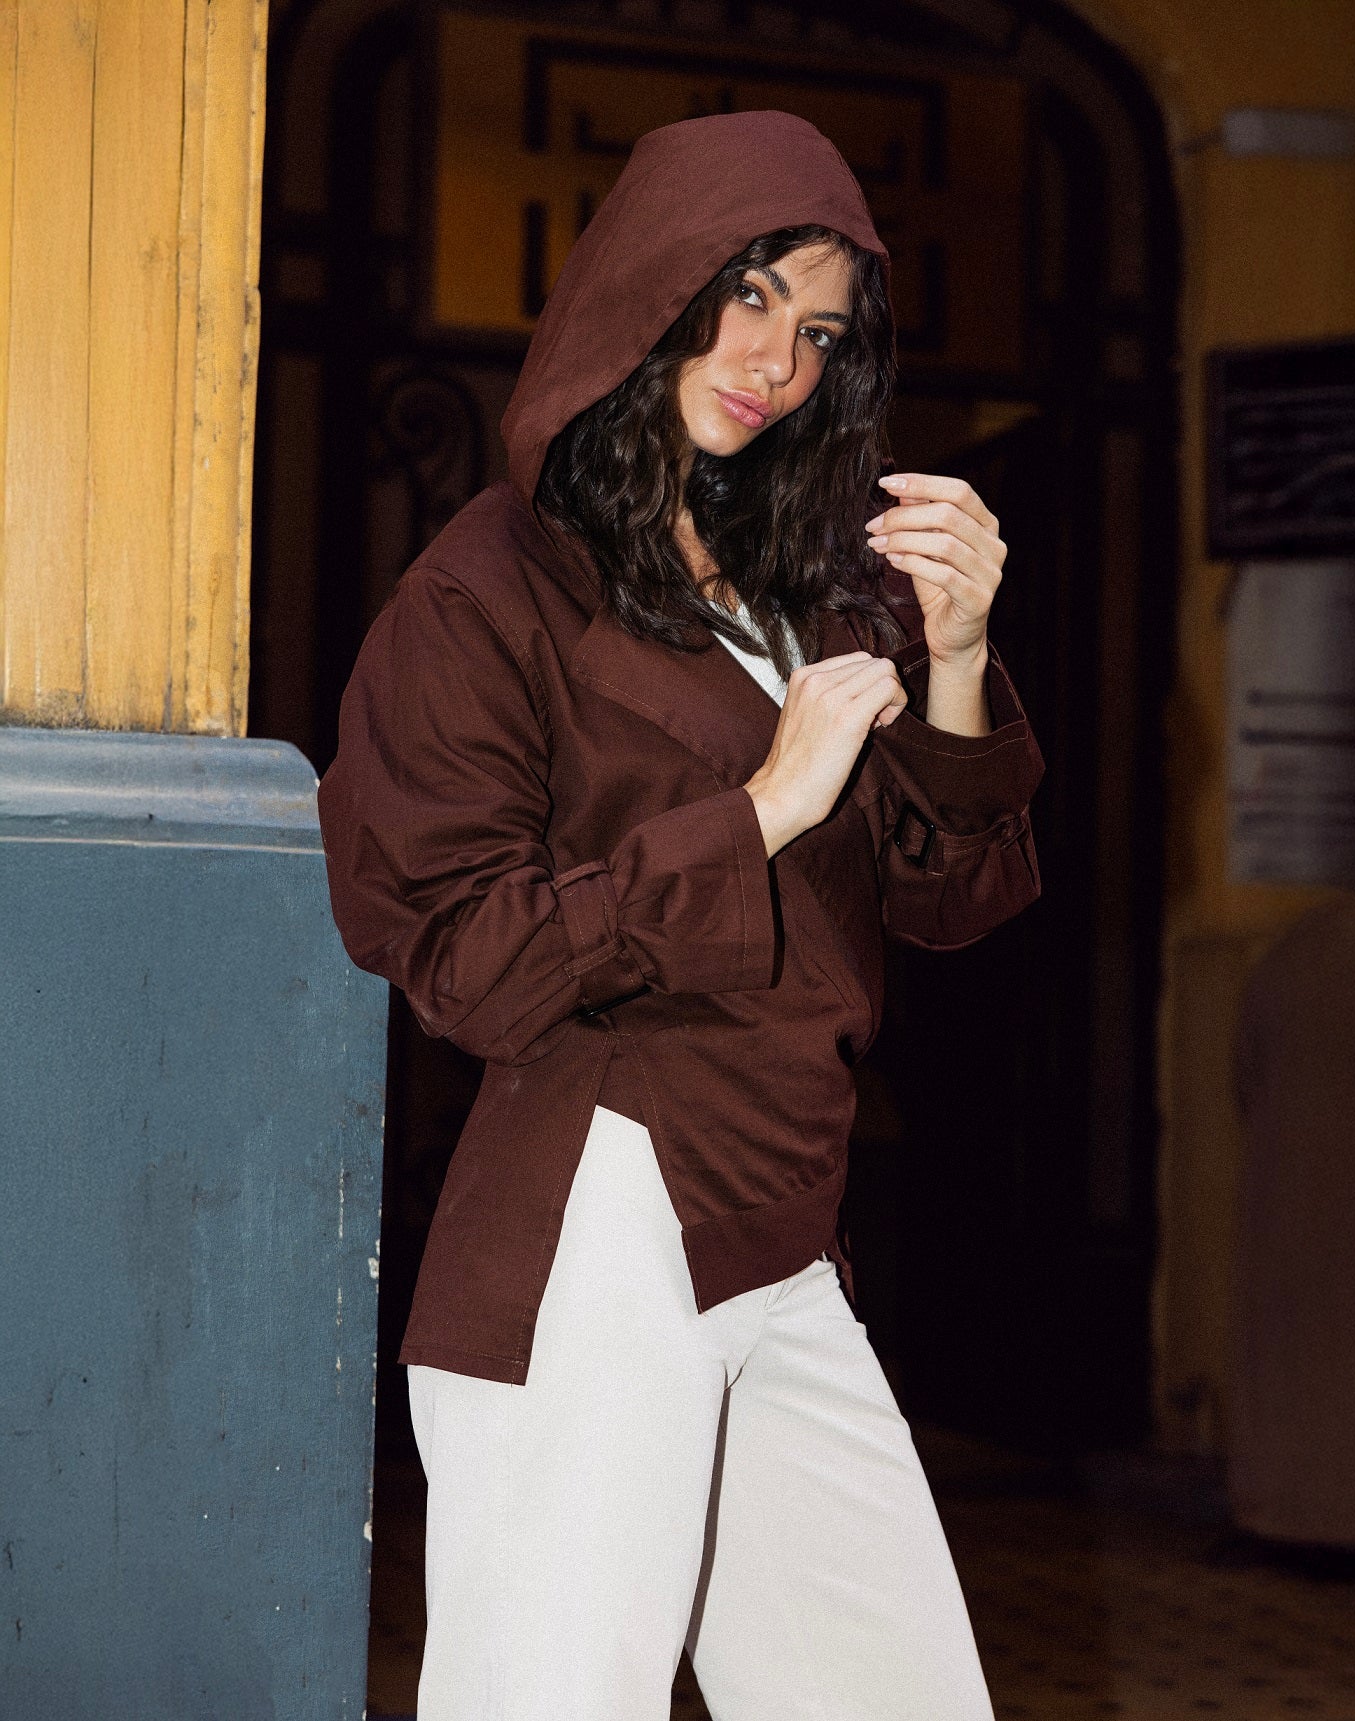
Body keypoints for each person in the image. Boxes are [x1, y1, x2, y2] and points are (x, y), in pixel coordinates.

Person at [318, 108, 1044, 1721]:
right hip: (599, 1210)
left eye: (819, 331)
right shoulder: (488, 585)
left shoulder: (803, 575)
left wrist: (954, 653)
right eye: (749, 295)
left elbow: (947, 899)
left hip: (778, 1224)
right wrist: (762, 810)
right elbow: (467, 959)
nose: (776, 359)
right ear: (655, 278)